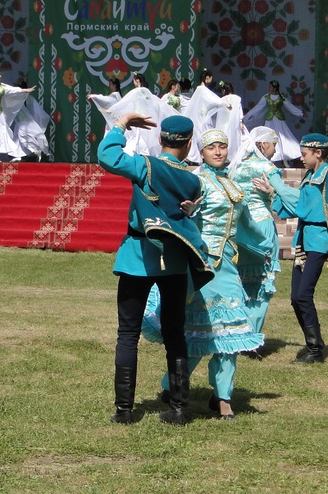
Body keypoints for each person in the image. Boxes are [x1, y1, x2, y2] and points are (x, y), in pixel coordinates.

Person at [98, 113, 213, 426]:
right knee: (175, 334)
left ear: (161, 140)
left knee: (127, 335)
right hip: (174, 261)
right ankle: (178, 409)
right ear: (189, 144)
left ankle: (124, 411)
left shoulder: (145, 165)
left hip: (138, 257)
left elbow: (106, 156)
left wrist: (121, 124)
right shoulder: (193, 180)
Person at [142, 129, 264, 420]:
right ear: (202, 151)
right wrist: (190, 213)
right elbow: (177, 214)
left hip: (229, 266)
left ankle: (223, 397)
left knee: (231, 333)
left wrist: (262, 250)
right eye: (212, 148)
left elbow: (245, 224)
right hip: (202, 266)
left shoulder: (232, 184)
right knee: (199, 334)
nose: (219, 152)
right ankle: (171, 385)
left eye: (223, 147)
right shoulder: (195, 180)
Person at [254, 130, 328, 363]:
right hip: (303, 238)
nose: (301, 158)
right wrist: (272, 192)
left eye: (304, 154)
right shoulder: (308, 177)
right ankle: (315, 345)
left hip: (319, 240)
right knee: (295, 298)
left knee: (303, 295)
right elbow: (297, 206)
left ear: (318, 153)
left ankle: (315, 350)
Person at [228, 127, 282, 353]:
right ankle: (250, 336)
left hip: (241, 228)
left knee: (242, 280)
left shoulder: (237, 166)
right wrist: (271, 193)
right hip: (262, 226)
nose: (276, 151)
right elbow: (283, 195)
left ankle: (237, 330)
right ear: (263, 145)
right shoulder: (267, 168)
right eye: (274, 145)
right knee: (262, 281)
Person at [93, 73, 179, 157]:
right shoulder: (147, 92)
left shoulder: (137, 92)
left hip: (138, 119)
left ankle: (142, 158)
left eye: (134, 80)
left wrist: (111, 111)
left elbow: (125, 103)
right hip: (147, 119)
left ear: (137, 80)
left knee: (140, 141)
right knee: (144, 141)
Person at [242, 80, 304, 165]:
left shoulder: (281, 97)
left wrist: (298, 112)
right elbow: (258, 107)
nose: (269, 88)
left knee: (283, 138)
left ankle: (284, 158)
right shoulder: (266, 97)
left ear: (275, 88)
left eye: (271, 87)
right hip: (269, 120)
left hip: (279, 120)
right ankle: (268, 157)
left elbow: (289, 106)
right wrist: (247, 116)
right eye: (269, 86)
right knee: (268, 137)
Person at [11, 77, 51, 161]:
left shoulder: (28, 98)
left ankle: (35, 149)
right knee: (17, 137)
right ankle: (18, 154)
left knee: (22, 136)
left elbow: (36, 110)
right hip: (20, 121)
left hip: (26, 121)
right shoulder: (17, 99)